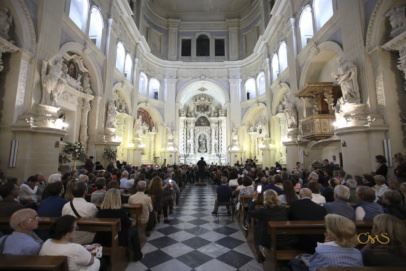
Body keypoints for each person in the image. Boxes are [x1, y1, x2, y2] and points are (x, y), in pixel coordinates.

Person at [293, 214, 363, 271]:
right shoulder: (357, 253)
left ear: (331, 233)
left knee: (296, 262)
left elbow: (312, 268)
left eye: (327, 229)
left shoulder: (321, 250)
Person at [248, 190, 289, 262]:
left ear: (265, 199)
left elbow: (250, 213)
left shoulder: (263, 210)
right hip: (283, 236)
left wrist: (254, 200)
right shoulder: (284, 209)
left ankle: (260, 253)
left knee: (257, 227)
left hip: (267, 239)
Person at [290, 188, 327, 253]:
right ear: (311, 196)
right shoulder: (320, 208)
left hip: (299, 239)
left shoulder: (294, 205)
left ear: (300, 196)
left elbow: (289, 219)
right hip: (317, 240)